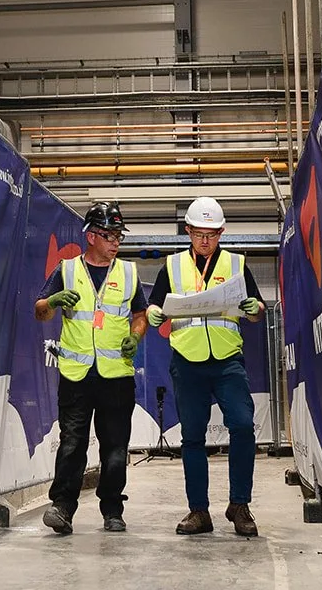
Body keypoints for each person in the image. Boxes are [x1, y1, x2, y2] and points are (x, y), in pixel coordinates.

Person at [144, 196, 265, 536]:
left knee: (242, 426)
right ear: (188, 231)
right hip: (188, 362)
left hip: (227, 361)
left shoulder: (237, 264)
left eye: (211, 234)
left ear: (221, 232)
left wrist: (255, 309)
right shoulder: (172, 266)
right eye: (199, 234)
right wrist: (153, 314)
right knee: (192, 436)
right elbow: (155, 306)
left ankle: (239, 505)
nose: (205, 241)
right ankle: (199, 511)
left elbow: (257, 311)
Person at [34, 201, 148, 534]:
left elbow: (140, 315)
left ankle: (112, 509)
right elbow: (40, 310)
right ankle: (62, 507)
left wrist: (135, 336)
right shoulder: (67, 270)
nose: (115, 242)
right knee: (72, 444)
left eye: (119, 236)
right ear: (91, 236)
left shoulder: (128, 273)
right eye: (110, 236)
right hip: (77, 375)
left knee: (115, 448)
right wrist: (52, 301)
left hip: (116, 376)